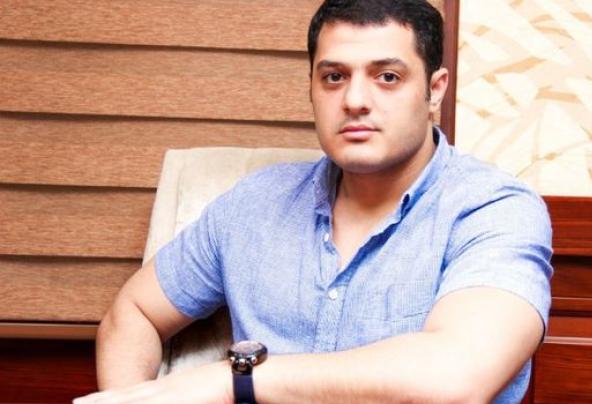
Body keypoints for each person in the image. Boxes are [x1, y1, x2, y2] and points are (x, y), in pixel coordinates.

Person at [75, 0, 552, 403]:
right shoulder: (254, 203)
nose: (355, 100)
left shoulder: (495, 209)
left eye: (387, 76)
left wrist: (233, 380)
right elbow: (133, 313)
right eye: (334, 77)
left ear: (434, 91)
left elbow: (455, 377)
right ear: (311, 89)